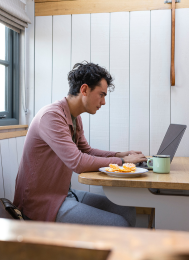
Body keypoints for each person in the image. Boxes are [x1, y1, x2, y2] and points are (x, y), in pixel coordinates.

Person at [13, 61, 148, 227]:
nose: (104, 102)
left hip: (63, 193)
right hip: (40, 202)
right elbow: (78, 162)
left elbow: (87, 151)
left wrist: (119, 155)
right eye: (101, 94)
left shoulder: (74, 117)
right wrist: (123, 162)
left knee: (127, 210)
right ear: (84, 90)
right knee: (117, 224)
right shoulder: (52, 117)